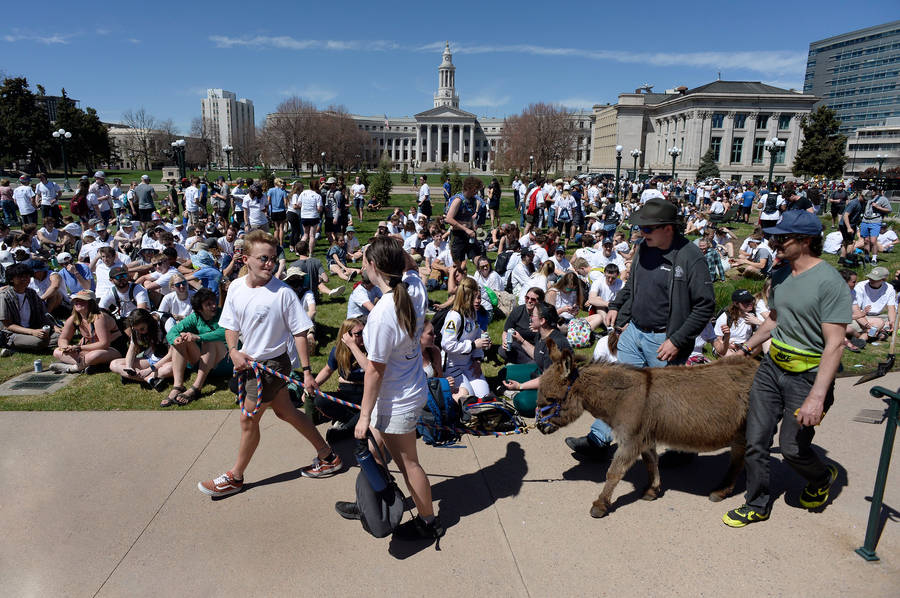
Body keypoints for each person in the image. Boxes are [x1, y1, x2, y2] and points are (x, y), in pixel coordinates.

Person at [722, 210, 850, 528]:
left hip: (806, 378)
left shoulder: (829, 283)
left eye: (782, 238)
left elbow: (835, 344)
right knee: (756, 439)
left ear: (805, 241)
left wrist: (817, 398)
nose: (774, 243)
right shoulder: (781, 275)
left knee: (792, 448)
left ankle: (820, 477)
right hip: (771, 368)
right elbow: (775, 320)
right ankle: (757, 504)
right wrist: (745, 349)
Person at [567, 197, 715, 460]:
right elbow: (633, 287)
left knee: (667, 402)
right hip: (634, 333)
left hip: (664, 341)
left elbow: (705, 306)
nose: (641, 233)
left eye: (647, 228)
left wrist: (678, 340)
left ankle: (684, 448)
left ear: (667, 228)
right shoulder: (644, 248)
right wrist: (616, 306)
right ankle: (598, 439)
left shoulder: (690, 257)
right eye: (640, 228)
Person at [198, 230, 340, 497]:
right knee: (286, 412)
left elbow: (300, 332)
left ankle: (235, 477)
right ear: (245, 258)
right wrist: (233, 350)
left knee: (248, 420)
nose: (270, 264)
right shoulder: (237, 288)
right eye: (263, 258)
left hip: (272, 366)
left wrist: (308, 373)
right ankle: (328, 455)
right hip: (248, 364)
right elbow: (230, 325)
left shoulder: (283, 293)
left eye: (273, 259)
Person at [334, 236, 444, 541]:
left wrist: (364, 416)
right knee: (372, 452)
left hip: (396, 401)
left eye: (364, 259)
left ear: (373, 266)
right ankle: (368, 504)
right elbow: (409, 265)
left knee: (409, 464)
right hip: (406, 391)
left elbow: (374, 370)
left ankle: (428, 521)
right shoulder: (415, 288)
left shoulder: (382, 315)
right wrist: (394, 247)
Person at [160, 288, 229, 407]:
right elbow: (173, 331)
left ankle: (196, 388)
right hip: (205, 361)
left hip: (225, 361)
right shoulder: (195, 317)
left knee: (209, 341)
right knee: (180, 338)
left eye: (213, 301)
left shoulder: (223, 314)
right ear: (199, 308)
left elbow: (225, 332)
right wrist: (175, 339)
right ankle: (178, 386)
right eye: (208, 304)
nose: (213, 306)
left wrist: (198, 337)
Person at [314, 318, 368, 441]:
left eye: (364, 332)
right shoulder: (338, 352)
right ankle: (350, 420)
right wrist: (313, 385)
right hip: (346, 395)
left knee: (338, 435)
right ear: (346, 335)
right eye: (358, 334)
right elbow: (328, 370)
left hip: (367, 397)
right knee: (320, 400)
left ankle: (348, 427)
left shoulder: (370, 349)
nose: (363, 336)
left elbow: (369, 369)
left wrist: (353, 345)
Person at [50, 290, 126, 373]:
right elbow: (63, 338)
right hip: (91, 349)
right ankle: (89, 365)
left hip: (113, 349)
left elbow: (104, 344)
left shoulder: (99, 317)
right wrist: (66, 347)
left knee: (93, 356)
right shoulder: (73, 319)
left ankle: (75, 368)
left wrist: (79, 348)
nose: (78, 302)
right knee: (57, 351)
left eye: (82, 300)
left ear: (91, 303)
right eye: (76, 301)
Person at [501, 301, 571, 393]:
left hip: (555, 386)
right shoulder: (541, 334)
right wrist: (521, 340)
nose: (530, 318)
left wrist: (520, 386)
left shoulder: (555, 344)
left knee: (521, 401)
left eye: (532, 316)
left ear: (542, 321)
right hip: (540, 372)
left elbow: (549, 379)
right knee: (504, 373)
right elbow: (538, 355)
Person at [441, 277, 492, 399]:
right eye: (474, 297)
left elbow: (477, 336)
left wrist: (477, 359)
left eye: (479, 297)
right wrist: (473, 345)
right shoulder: (455, 316)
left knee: (484, 395)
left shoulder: (473, 313)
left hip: (468, 363)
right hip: (452, 366)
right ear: (466, 297)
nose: (478, 301)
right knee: (469, 397)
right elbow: (447, 345)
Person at [0, 261, 58, 355]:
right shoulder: (4, 296)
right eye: (20, 277)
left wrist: (54, 326)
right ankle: (13, 347)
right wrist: (32, 332)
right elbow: (8, 325)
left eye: (27, 277)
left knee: (62, 335)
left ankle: (26, 346)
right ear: (11, 279)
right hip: (13, 334)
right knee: (39, 342)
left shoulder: (31, 293)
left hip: (33, 328)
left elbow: (42, 315)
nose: (25, 279)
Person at [110, 308, 172, 389]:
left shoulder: (167, 321)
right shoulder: (136, 328)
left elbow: (173, 353)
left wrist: (150, 369)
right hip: (151, 358)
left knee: (170, 369)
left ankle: (133, 377)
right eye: (136, 330)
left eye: (142, 329)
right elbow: (132, 349)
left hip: (167, 360)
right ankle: (149, 379)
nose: (140, 332)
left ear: (148, 322)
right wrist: (129, 367)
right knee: (113, 364)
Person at [849, 266, 896, 343]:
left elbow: (891, 308)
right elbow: (856, 311)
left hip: (877, 316)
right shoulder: (860, 286)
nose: (871, 280)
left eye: (875, 279)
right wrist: (867, 325)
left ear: (883, 280)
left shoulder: (889, 289)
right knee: (879, 323)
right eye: (871, 277)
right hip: (860, 316)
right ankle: (870, 336)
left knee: (893, 321)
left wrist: (892, 322)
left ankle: (864, 337)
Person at [445, 175, 482, 268]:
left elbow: (470, 216)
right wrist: (466, 229)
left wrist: (473, 227)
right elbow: (448, 218)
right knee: (458, 265)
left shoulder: (472, 200)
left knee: (477, 257)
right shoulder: (458, 200)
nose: (476, 192)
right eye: (475, 189)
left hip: (469, 235)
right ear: (468, 188)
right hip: (457, 236)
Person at [714, 289, 759, 357]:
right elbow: (718, 339)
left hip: (745, 347)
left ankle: (743, 360)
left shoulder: (753, 315)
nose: (750, 303)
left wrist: (758, 322)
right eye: (746, 301)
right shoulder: (726, 316)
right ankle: (742, 360)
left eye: (751, 300)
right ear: (736, 304)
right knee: (732, 356)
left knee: (764, 341)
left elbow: (763, 333)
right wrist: (727, 345)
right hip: (726, 346)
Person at [860, 188, 892, 264]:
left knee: (873, 241)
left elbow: (889, 210)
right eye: (870, 190)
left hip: (875, 222)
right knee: (866, 241)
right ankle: (866, 257)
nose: (871, 192)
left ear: (877, 191)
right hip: (865, 221)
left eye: (873, 190)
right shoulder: (867, 197)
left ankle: (874, 259)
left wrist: (878, 207)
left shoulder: (882, 199)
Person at [268, 177, 288, 247]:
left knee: (276, 229)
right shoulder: (283, 191)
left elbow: (268, 201)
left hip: (274, 211)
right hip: (282, 210)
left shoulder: (270, 190)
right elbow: (285, 203)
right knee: (281, 228)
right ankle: (281, 244)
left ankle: (276, 244)